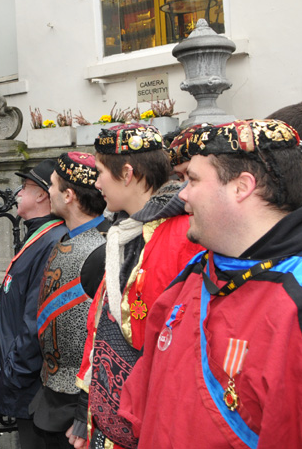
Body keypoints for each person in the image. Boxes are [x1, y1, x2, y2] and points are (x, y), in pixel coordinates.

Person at [120, 119, 302, 447]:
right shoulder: (192, 274)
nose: (183, 194)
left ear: (241, 187)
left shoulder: (294, 299)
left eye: (191, 179)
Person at [70, 125, 204, 449]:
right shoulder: (126, 232)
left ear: (127, 173)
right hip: (110, 419)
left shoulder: (183, 235)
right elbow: (100, 322)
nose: (96, 183)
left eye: (100, 172)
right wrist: (83, 408)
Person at [32, 153, 108, 448]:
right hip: (52, 394)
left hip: (78, 402)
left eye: (51, 185)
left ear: (68, 194)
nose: (47, 192)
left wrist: (84, 409)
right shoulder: (66, 237)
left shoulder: (105, 248)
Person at [0, 159, 67, 449]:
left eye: (24, 187)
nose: (17, 194)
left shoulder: (52, 239)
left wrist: (14, 370)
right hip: (26, 376)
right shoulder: (40, 234)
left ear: (41, 195)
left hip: (31, 379)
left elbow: (37, 314)